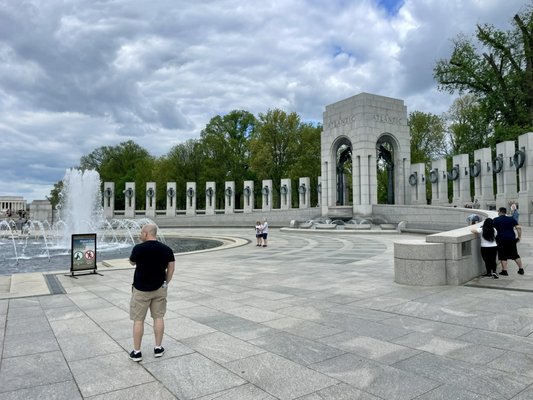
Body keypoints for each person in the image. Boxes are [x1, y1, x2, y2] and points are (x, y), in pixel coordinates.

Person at [128, 223, 175, 361]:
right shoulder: (166, 249)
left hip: (140, 290)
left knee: (138, 320)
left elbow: (131, 262)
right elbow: (171, 268)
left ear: (147, 233)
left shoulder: (138, 248)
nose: (140, 235)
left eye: (141, 232)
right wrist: (166, 282)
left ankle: (137, 352)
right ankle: (158, 348)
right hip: (159, 288)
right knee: (158, 317)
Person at [493, 207, 523, 276]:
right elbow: (518, 227)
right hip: (511, 239)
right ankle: (521, 269)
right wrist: (519, 237)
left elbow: (491, 228)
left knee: (503, 255)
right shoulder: (511, 219)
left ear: (499, 212)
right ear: (505, 212)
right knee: (515, 254)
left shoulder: (496, 220)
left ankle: (504, 271)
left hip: (501, 239)